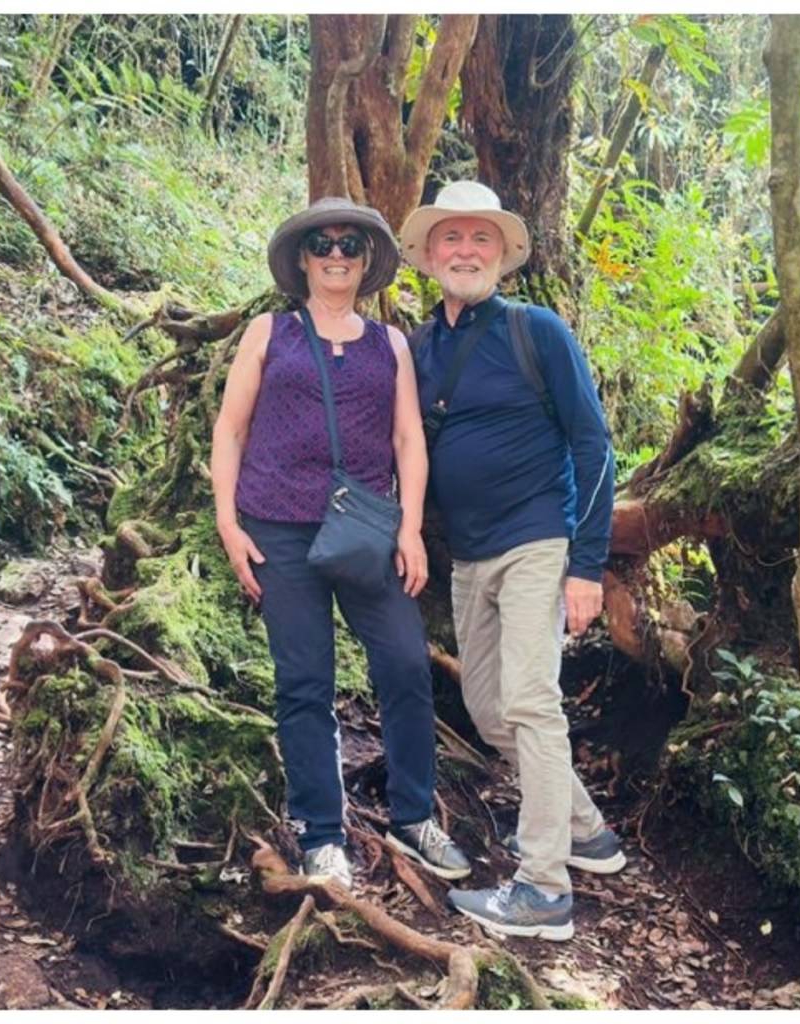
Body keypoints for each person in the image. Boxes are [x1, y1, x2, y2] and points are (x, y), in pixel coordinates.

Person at [211, 196, 471, 890]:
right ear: (302, 259)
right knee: (305, 681)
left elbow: (408, 438)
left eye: (349, 246)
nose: (335, 255)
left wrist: (409, 527)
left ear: (366, 260)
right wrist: (229, 524)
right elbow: (230, 429)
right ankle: (321, 834)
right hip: (276, 528)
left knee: (406, 663)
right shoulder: (269, 333)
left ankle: (414, 815)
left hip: (364, 528)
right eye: (322, 244)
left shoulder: (389, 344)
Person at [400, 181, 624, 941]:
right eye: (452, 237)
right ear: (431, 254)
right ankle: (587, 833)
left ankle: (543, 889)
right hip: (468, 558)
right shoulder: (417, 349)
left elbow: (594, 445)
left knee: (530, 701)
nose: (465, 251)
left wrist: (586, 565)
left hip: (537, 541)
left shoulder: (537, 332)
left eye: (480, 239)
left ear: (501, 255)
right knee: (491, 710)